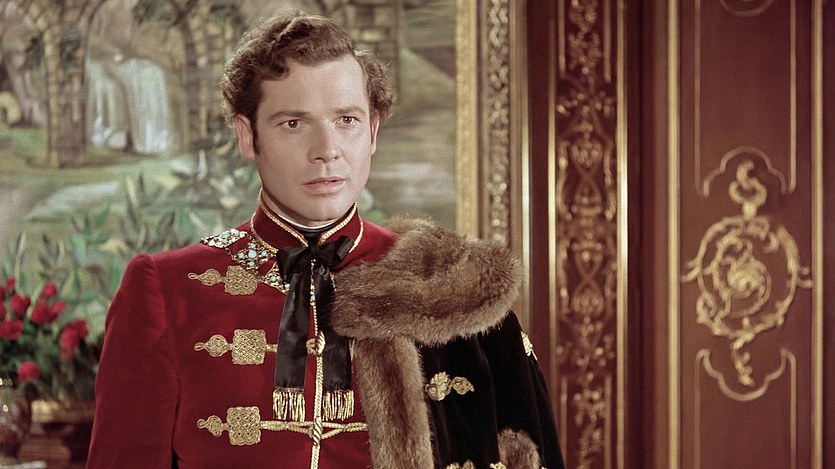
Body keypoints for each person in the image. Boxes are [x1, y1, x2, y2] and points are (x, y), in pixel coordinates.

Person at [86, 11, 564, 469]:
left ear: (373, 131)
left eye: (346, 120)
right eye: (293, 124)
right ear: (248, 136)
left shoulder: (454, 288)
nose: (327, 150)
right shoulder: (167, 290)